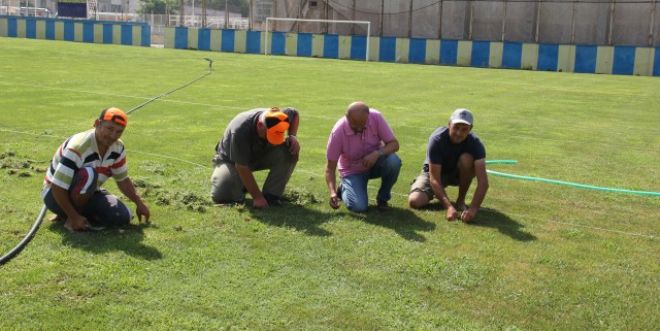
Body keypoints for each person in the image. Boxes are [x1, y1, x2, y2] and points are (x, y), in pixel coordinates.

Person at [42, 107, 150, 232]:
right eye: (110, 129)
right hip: (54, 195)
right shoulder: (78, 146)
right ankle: (71, 218)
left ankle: (71, 215)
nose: (113, 135)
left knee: (122, 217)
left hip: (88, 192)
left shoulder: (118, 147)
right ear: (97, 124)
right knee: (89, 175)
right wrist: (73, 216)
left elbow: (122, 179)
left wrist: (139, 202)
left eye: (119, 132)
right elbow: (57, 186)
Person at [408, 108, 489, 222]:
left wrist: (473, 210)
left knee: (466, 159)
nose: (459, 133)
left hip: (457, 173)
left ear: (470, 129)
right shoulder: (437, 139)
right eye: (456, 127)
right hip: (435, 173)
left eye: (464, 129)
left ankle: (460, 201)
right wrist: (448, 207)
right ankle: (436, 194)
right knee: (414, 201)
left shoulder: (476, 143)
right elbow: (434, 178)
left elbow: (483, 182)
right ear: (449, 124)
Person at [211, 106, 300, 208]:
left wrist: (292, 136)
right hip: (231, 160)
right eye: (269, 135)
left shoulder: (281, 117)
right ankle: (241, 184)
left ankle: (271, 196)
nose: (272, 141)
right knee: (223, 194)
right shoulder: (239, 130)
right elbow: (241, 166)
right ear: (260, 125)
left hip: (260, 154)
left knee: (290, 151)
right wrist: (257, 197)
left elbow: (295, 114)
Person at [325, 101, 401, 212]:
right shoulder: (337, 132)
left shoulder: (376, 117)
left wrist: (377, 154)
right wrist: (332, 192)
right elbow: (330, 168)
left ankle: (383, 198)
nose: (359, 129)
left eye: (362, 124)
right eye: (354, 125)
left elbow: (394, 144)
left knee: (393, 161)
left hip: (375, 163)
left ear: (368, 116)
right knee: (358, 207)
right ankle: (343, 187)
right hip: (352, 171)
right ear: (347, 118)